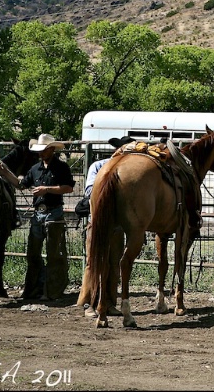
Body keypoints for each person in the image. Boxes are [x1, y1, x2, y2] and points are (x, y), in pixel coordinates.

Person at [79, 136, 134, 318]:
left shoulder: (130, 171)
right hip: (97, 222)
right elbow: (90, 191)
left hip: (117, 225)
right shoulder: (99, 166)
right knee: (94, 261)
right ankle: (89, 302)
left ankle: (110, 302)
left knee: (114, 262)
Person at [18, 134, 74, 300]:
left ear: (51, 149)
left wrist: (46, 189)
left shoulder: (62, 167)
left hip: (54, 213)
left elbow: (68, 188)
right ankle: (36, 289)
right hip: (39, 214)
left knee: (53, 253)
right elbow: (21, 184)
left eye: (43, 150)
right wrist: (4, 172)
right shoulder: (35, 169)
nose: (41, 153)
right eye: (39, 151)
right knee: (33, 253)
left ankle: (51, 291)